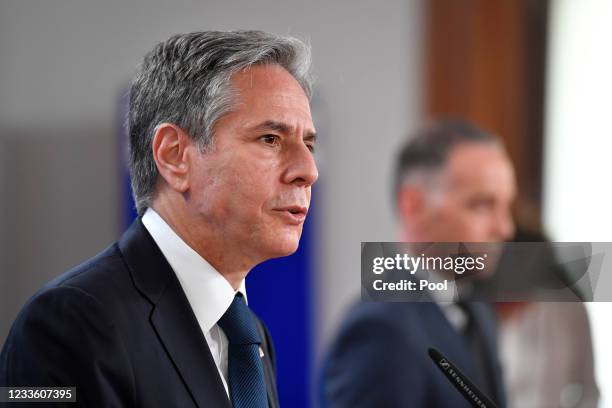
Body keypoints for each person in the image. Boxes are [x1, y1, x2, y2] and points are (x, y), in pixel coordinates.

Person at [0, 30, 318, 407]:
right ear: (174, 156)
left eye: (309, 144)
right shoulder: (67, 325)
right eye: (270, 138)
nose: (308, 169)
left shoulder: (250, 336)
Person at [321, 120, 515, 407]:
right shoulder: (379, 332)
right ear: (413, 206)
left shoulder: (477, 311)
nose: (505, 228)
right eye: (482, 204)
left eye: (507, 206)